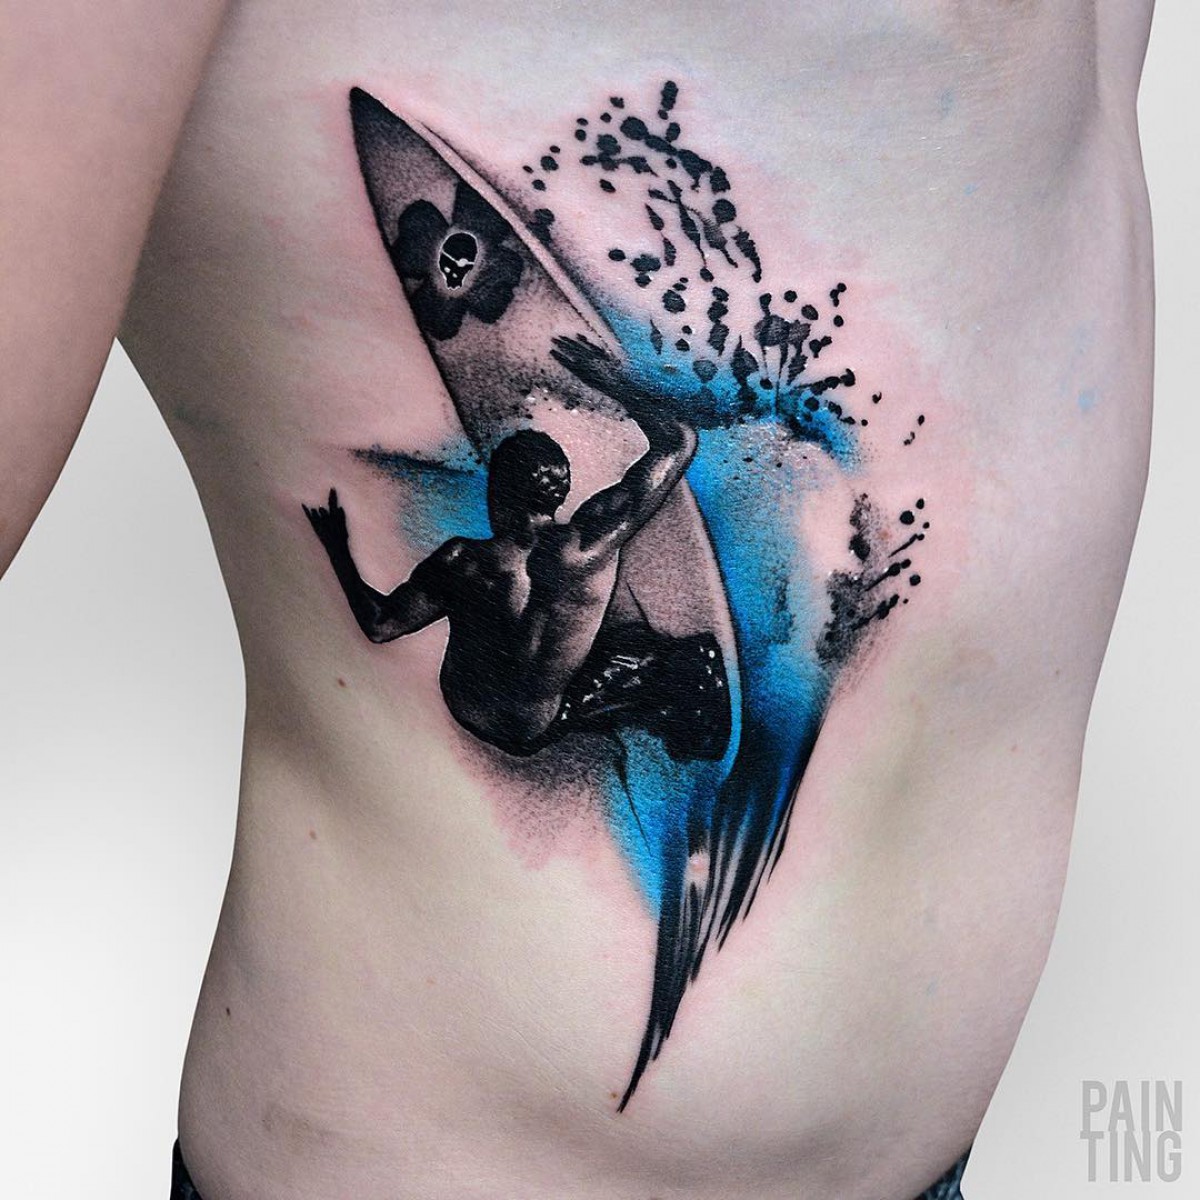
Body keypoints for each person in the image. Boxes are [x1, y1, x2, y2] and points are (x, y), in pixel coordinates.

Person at [0, 4, 1158, 1199]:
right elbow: (663, 457)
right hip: (444, 1170)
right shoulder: (580, 544)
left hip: (928, 1162)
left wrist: (349, 554)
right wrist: (616, 387)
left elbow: (394, 615)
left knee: (633, 683)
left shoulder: (491, 558)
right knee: (666, 681)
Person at [302, 339, 730, 762]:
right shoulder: (590, 546)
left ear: (497, 492)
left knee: (575, 651)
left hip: (473, 714)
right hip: (536, 724)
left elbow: (380, 625)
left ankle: (630, 703)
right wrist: (609, 378)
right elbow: (678, 441)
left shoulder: (461, 562)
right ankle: (666, 712)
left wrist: (337, 549)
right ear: (560, 492)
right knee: (668, 654)